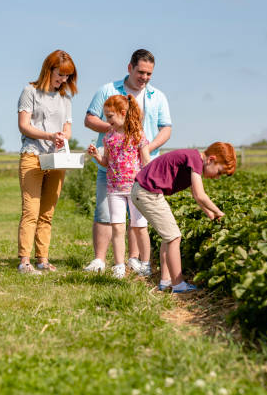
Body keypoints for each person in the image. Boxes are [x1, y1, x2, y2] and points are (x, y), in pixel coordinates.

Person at [84, 49, 172, 275]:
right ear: (129, 68)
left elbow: (166, 128)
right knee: (106, 215)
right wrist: (116, 129)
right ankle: (100, 260)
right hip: (113, 166)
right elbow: (90, 118)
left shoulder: (157, 96)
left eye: (149, 74)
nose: (144, 77)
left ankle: (135, 259)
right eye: (141, 72)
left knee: (137, 219)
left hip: (140, 169)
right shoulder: (109, 91)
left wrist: (145, 148)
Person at [131, 142, 236, 293]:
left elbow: (195, 195)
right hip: (148, 193)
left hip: (144, 191)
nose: (217, 177)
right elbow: (200, 195)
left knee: (169, 236)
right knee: (174, 237)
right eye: (219, 172)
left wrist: (210, 214)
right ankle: (178, 284)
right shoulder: (195, 160)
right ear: (211, 159)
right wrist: (219, 212)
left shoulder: (193, 159)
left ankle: (165, 280)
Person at [16, 50, 77, 274]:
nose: (63, 80)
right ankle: (24, 261)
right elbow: (24, 125)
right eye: (60, 74)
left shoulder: (65, 99)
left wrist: (61, 136)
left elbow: (68, 129)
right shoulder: (29, 91)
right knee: (30, 211)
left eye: (67, 76)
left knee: (47, 213)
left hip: (56, 159)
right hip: (33, 156)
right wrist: (49, 135)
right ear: (48, 69)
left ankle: (42, 259)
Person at [87, 94, 151, 278]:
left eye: (110, 116)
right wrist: (96, 156)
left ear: (123, 113)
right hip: (114, 189)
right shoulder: (108, 137)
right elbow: (107, 162)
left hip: (135, 189)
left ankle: (145, 263)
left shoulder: (137, 135)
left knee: (139, 227)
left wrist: (150, 184)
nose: (107, 121)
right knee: (117, 227)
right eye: (106, 116)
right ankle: (119, 266)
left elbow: (146, 161)